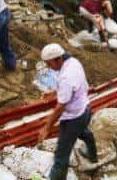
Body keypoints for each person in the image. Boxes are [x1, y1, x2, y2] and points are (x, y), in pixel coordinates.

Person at [37, 43, 98, 180]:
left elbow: (60, 107)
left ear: (58, 59)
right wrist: (54, 92)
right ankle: (93, 156)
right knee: (83, 132)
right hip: (85, 109)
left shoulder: (65, 77)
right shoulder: (73, 63)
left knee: (61, 155)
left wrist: (47, 128)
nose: (48, 67)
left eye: (49, 63)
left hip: (74, 118)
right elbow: (74, 86)